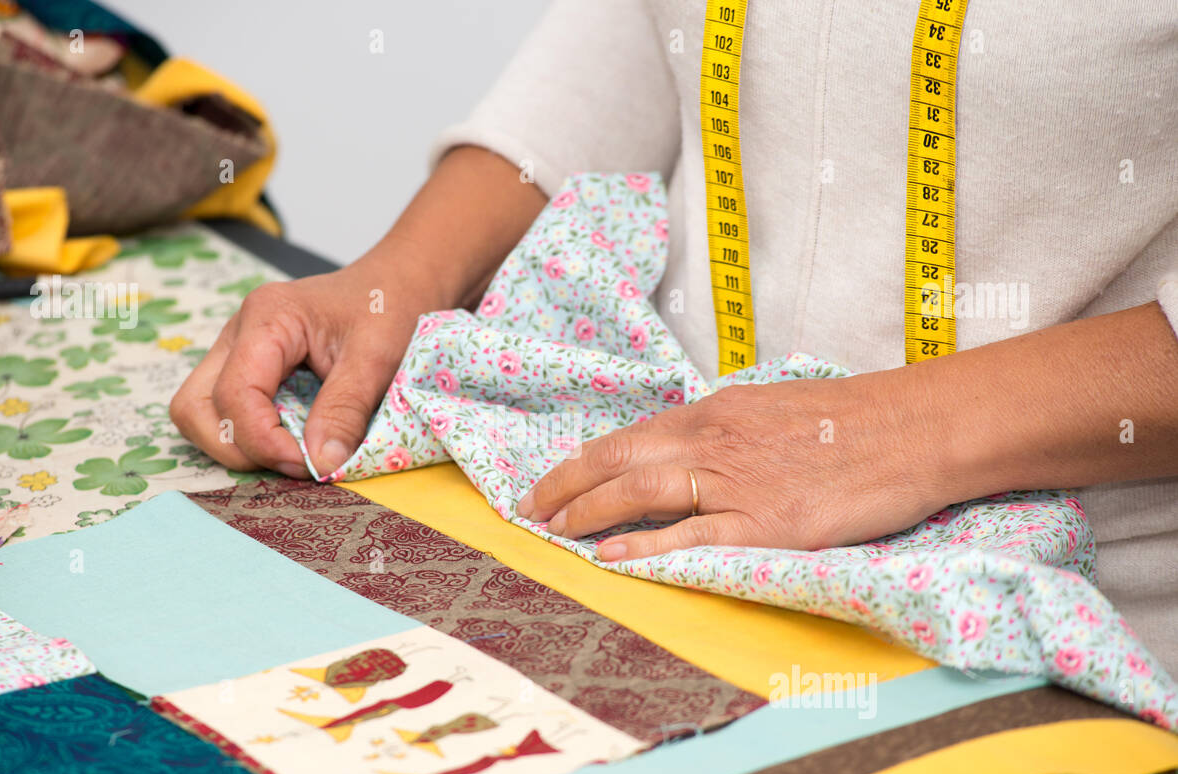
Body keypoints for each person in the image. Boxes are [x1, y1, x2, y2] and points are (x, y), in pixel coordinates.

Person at [171, 0, 1178, 675]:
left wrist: (881, 433)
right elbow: (643, 29)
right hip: (679, 555)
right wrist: (403, 275)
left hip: (1093, 629)